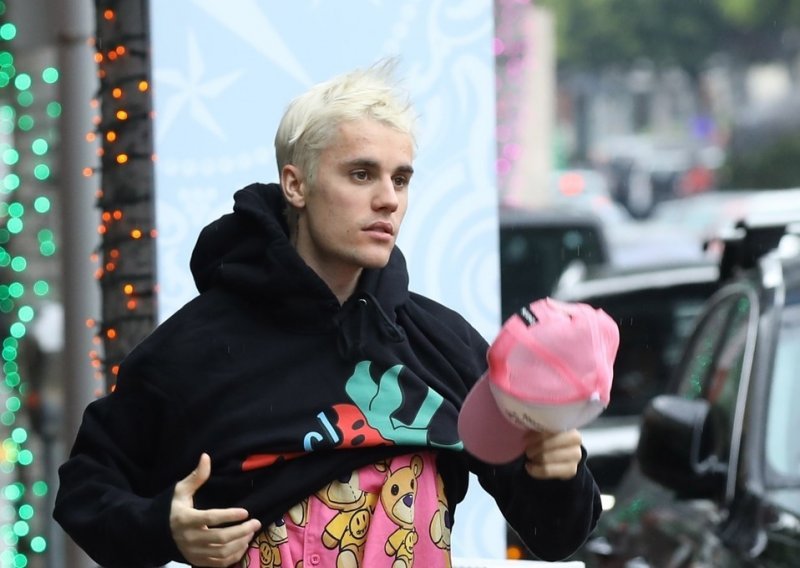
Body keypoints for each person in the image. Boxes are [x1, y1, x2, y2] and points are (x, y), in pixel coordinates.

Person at [54, 59, 601, 568]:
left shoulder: (443, 344)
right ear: (296, 185)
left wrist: (558, 471)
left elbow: (555, 534)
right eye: (361, 174)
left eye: (400, 179)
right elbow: (85, 488)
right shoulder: (194, 349)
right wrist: (164, 527)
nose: (388, 199)